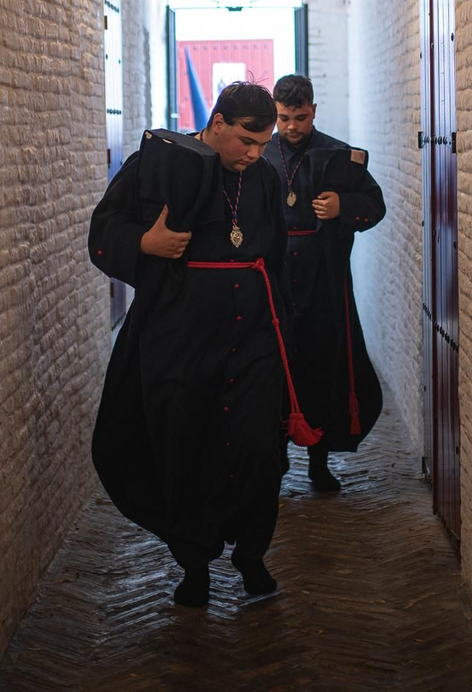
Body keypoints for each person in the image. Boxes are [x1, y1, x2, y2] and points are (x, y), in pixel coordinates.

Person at [88, 82, 321, 608]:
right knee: (186, 448)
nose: (256, 155)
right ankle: (194, 565)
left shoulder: (260, 176)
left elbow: (276, 258)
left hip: (254, 339)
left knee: (261, 452)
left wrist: (284, 325)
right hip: (183, 343)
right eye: (245, 141)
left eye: (263, 144)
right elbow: (103, 230)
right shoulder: (161, 166)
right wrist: (146, 244)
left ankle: (252, 557)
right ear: (217, 124)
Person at [263, 74, 386, 491]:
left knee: (321, 368)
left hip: (323, 283)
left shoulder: (337, 155)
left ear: (313, 110)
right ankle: (276, 462)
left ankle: (319, 463)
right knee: (277, 372)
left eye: (299, 117)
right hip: (274, 282)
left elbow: (375, 205)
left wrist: (342, 206)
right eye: (283, 118)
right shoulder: (259, 153)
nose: (292, 127)